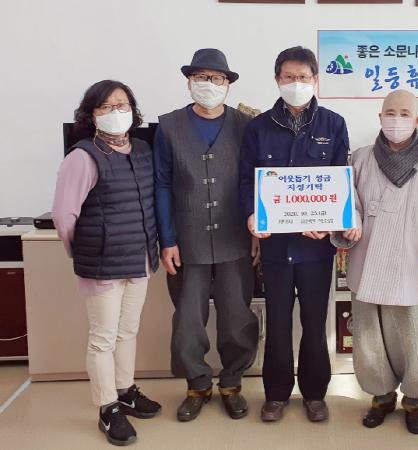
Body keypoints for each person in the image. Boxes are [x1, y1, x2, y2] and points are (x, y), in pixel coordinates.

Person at [331, 90, 418, 434]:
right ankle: (381, 398)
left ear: (417, 121)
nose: (396, 119)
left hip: (413, 266)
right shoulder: (360, 158)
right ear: (380, 117)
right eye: (390, 112)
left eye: (405, 114)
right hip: (368, 263)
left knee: (414, 339)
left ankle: (415, 402)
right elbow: (348, 202)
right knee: (369, 339)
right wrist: (350, 222)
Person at [239, 46, 350, 423]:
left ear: (315, 80)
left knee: (316, 323)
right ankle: (276, 395)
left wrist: (331, 220)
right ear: (277, 80)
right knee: (278, 322)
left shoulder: (333, 125)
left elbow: (340, 181)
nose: (296, 83)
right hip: (275, 247)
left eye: (303, 77)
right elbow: (246, 180)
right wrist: (252, 215)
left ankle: (315, 394)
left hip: (316, 248)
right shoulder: (257, 127)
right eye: (289, 77)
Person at [52, 80, 161, 446]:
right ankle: (107, 407)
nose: (117, 112)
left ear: (133, 110)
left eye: (123, 105)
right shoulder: (82, 157)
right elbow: (64, 216)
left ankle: (125, 390)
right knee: (103, 339)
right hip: (101, 264)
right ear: (91, 115)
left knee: (127, 331)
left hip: (140, 259)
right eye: (106, 106)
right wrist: (84, 251)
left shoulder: (143, 150)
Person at [154, 48, 259, 422]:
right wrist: (167, 239)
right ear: (189, 82)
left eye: (217, 79)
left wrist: (258, 229)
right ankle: (197, 385)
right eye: (201, 78)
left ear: (228, 85)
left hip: (236, 237)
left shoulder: (246, 125)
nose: (209, 85)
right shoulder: (168, 126)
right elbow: (162, 184)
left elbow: (256, 180)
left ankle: (232, 383)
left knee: (237, 316)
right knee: (187, 320)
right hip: (187, 240)